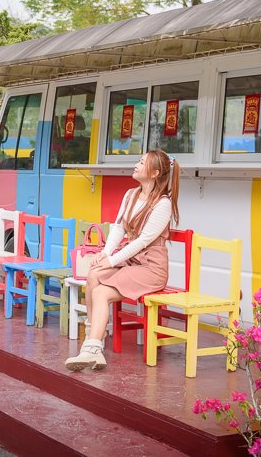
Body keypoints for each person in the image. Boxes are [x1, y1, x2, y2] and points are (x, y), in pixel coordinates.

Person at [65, 149, 180, 371]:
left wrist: (113, 259)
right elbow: (118, 227)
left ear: (155, 173)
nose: (136, 165)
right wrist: (106, 254)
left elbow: (144, 241)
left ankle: (92, 346)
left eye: (142, 162)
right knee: (93, 274)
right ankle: (93, 341)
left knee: (100, 291)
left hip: (151, 268)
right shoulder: (131, 195)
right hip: (131, 260)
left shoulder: (163, 204)